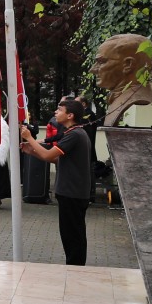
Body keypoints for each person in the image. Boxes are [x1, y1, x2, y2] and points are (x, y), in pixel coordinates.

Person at [20, 97, 94, 265]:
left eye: (60, 110)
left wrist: (30, 138)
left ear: (70, 115)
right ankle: (74, 265)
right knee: (71, 234)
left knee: (73, 235)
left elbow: (48, 155)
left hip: (72, 192)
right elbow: (57, 160)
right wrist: (32, 152)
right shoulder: (75, 133)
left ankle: (75, 268)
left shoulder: (74, 134)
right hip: (71, 191)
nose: (56, 112)